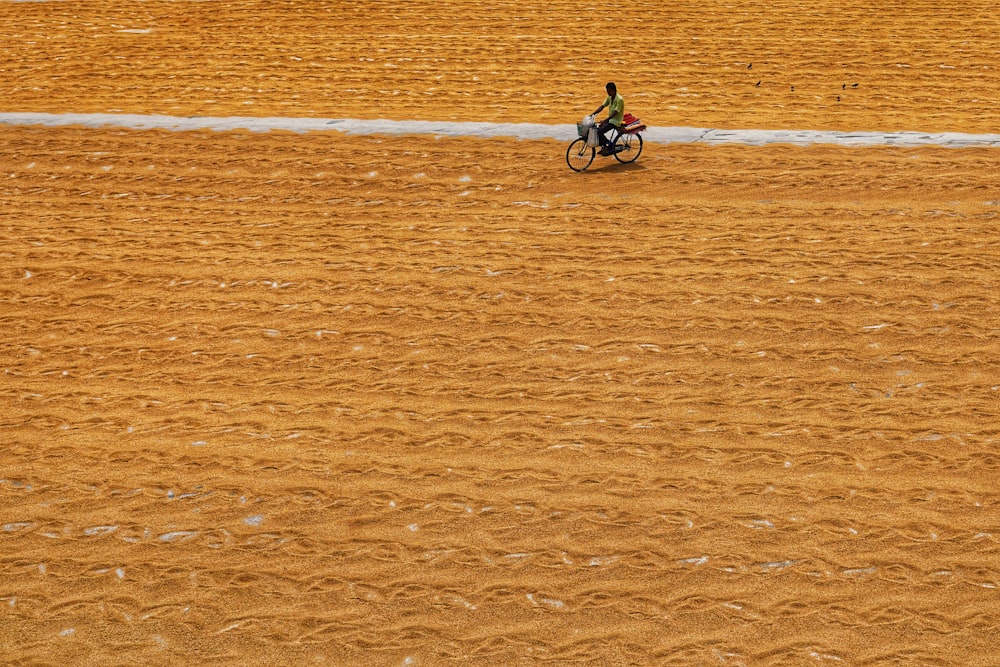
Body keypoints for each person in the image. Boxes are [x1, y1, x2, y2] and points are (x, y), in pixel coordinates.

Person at [591, 82, 624, 156]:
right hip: (610, 120)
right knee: (596, 129)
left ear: (614, 90)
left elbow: (615, 112)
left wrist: (605, 121)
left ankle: (608, 145)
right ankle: (605, 145)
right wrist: (593, 114)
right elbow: (602, 106)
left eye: (609, 91)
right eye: (607, 91)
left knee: (599, 131)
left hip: (616, 121)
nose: (608, 93)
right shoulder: (610, 97)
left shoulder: (619, 99)